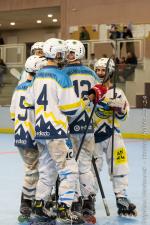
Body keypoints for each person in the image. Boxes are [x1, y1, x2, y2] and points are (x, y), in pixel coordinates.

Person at [24, 38, 87, 224]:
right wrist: (86, 100)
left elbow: (28, 101)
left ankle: (39, 206)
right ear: (57, 54)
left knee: (47, 171)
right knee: (69, 171)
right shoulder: (61, 77)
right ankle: (64, 210)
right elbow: (71, 108)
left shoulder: (37, 77)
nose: (64, 57)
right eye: (62, 53)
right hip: (57, 132)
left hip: (41, 131)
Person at [91, 57, 137, 216]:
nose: (100, 73)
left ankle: (121, 196)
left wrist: (120, 110)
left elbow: (124, 117)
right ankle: (89, 198)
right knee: (92, 169)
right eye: (98, 70)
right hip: (95, 136)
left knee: (119, 163)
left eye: (103, 70)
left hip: (114, 135)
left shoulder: (118, 93)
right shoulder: (92, 90)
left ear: (110, 71)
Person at [63, 39, 102, 220]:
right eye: (67, 52)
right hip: (87, 125)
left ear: (78, 53)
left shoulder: (63, 73)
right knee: (84, 165)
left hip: (70, 124)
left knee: (73, 165)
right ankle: (88, 201)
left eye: (71, 53)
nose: (68, 56)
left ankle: (78, 200)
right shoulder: (92, 74)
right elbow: (100, 95)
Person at [10, 55, 47, 222]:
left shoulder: (18, 88)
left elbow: (12, 113)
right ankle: (26, 204)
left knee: (33, 169)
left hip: (20, 133)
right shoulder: (37, 88)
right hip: (33, 135)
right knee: (34, 171)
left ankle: (32, 202)